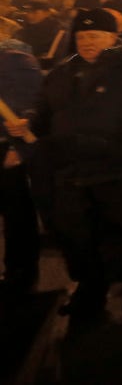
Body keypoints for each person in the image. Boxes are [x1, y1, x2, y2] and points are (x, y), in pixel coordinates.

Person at [4, 9, 122, 327]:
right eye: (82, 37)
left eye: (95, 36)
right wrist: (29, 121)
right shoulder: (62, 73)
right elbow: (43, 109)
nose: (88, 42)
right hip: (72, 171)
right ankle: (89, 289)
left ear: (112, 37)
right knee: (76, 235)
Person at [0, 38, 43, 295]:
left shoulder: (15, 60)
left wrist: (17, 147)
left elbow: (29, 106)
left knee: (15, 213)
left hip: (5, 147)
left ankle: (21, 272)